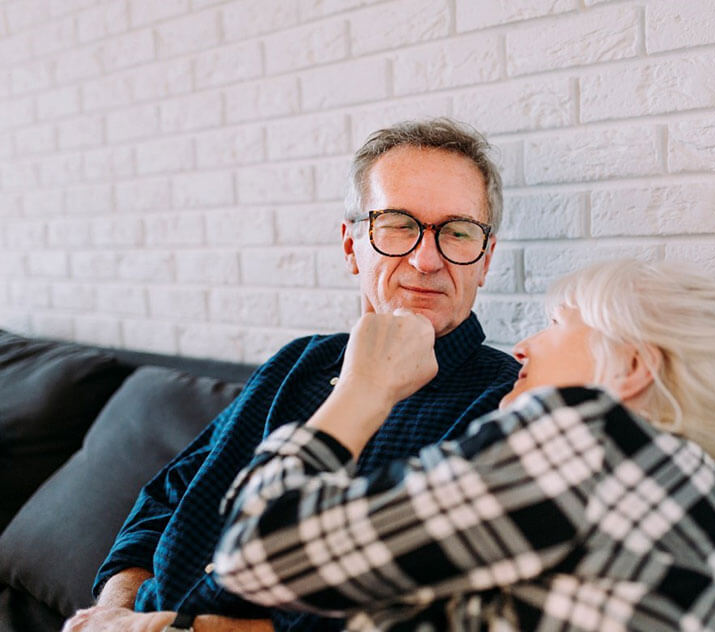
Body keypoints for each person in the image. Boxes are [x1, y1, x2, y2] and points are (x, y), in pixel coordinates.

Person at [62, 119, 521, 632]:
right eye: (398, 224)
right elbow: (168, 496)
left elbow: (400, 613)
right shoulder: (296, 363)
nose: (426, 257)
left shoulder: (507, 402)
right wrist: (113, 609)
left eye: (457, 232)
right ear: (351, 247)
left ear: (485, 260)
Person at [211, 259, 715, 631]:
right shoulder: (670, 490)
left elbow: (255, 550)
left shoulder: (591, 441)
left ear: (632, 366)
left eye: (559, 325)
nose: (522, 348)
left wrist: (361, 390)